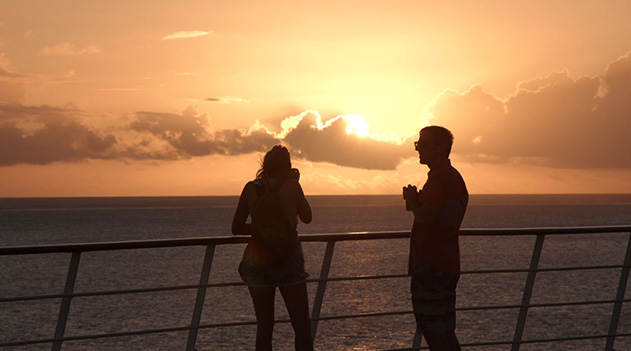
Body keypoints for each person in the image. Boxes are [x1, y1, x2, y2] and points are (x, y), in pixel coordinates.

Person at [232, 145, 314, 351]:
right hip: (289, 261)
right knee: (301, 326)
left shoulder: (251, 188)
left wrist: (262, 229)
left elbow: (236, 227)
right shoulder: (292, 186)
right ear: (288, 165)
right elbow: (307, 217)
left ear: (264, 164)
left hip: (258, 260)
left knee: (265, 325)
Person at [403, 126, 468, 351]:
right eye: (417, 145)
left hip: (431, 266)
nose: (418, 149)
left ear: (440, 148)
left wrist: (413, 201)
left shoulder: (438, 178)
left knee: (433, 331)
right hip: (448, 264)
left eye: (422, 144)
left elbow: (426, 218)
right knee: (446, 330)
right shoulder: (454, 177)